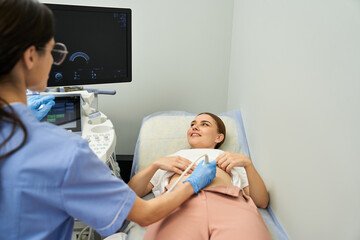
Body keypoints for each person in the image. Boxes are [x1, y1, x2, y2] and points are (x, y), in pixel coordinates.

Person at [0, 1, 217, 239]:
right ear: (30, 56)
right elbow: (144, 214)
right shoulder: (64, 153)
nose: (54, 61)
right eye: (53, 51)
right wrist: (194, 182)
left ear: (219, 138)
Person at [128, 112, 272, 239]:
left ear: (219, 137)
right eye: (192, 124)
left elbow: (261, 202)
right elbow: (132, 192)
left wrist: (248, 164)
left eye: (205, 124)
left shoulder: (230, 158)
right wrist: (155, 165)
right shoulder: (173, 158)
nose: (195, 127)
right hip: (177, 204)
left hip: (229, 204)